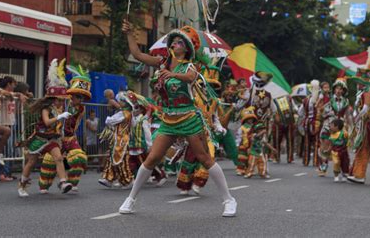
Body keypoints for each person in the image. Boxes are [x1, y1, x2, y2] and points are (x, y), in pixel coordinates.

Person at [119, 20, 236, 217]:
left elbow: (190, 78)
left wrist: (171, 73)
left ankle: (228, 199)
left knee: (204, 158)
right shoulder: (161, 63)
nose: (174, 45)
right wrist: (130, 34)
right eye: (173, 42)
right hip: (169, 120)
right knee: (152, 158)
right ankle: (131, 199)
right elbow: (137, 55)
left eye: (179, 43)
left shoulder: (191, 66)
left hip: (189, 118)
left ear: (187, 49)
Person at [18, 59, 73, 197]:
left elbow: (56, 127)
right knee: (31, 162)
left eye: (62, 100)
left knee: (59, 158)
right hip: (40, 138)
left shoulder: (60, 109)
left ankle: (63, 182)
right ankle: (22, 186)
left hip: (51, 140)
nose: (61, 102)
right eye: (59, 99)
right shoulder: (46, 108)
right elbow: (47, 122)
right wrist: (60, 117)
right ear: (52, 99)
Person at [39, 65, 90, 193]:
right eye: (77, 96)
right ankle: (44, 185)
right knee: (50, 162)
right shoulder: (62, 103)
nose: (79, 99)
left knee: (79, 157)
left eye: (81, 97)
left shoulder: (81, 109)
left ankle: (71, 183)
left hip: (70, 137)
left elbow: (75, 123)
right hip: (56, 137)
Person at [98, 91, 135, 189]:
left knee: (120, 160)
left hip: (120, 139)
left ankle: (128, 180)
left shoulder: (123, 113)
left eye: (120, 102)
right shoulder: (129, 113)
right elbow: (133, 125)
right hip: (120, 138)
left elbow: (109, 121)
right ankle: (109, 178)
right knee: (112, 157)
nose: (119, 103)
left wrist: (112, 114)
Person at [318, 75, 352, 176]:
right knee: (326, 146)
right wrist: (323, 111)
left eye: (341, 89)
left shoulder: (346, 101)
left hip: (341, 126)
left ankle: (342, 168)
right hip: (329, 124)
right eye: (337, 88)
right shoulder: (328, 100)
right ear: (334, 89)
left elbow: (348, 115)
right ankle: (323, 167)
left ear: (343, 90)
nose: (339, 90)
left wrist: (351, 127)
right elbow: (322, 114)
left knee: (341, 148)